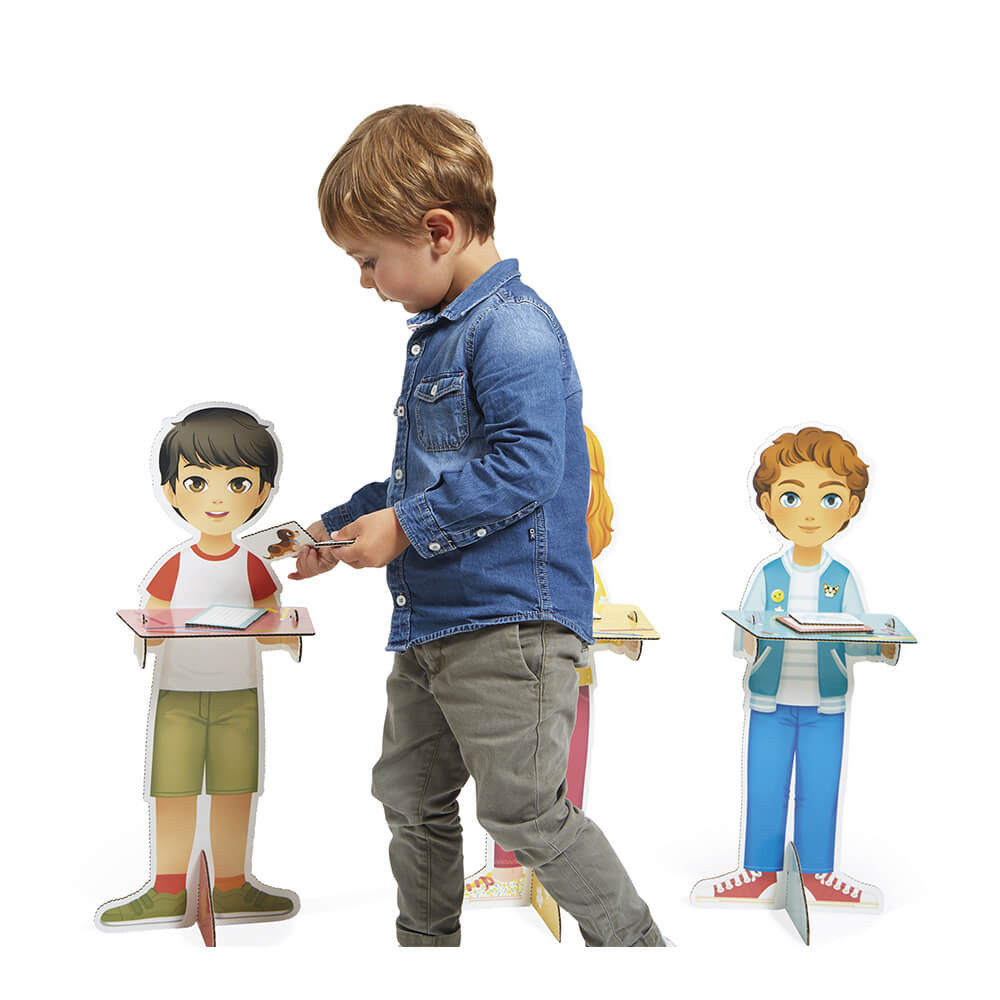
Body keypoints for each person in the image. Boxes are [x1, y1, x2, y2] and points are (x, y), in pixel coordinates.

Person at [292, 105, 666, 947]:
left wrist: (404, 528)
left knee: (524, 810)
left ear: (438, 231)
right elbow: (427, 475)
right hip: (434, 622)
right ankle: (428, 947)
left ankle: (638, 950)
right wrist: (336, 527)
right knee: (408, 793)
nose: (366, 282)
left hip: (509, 626)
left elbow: (528, 467)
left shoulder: (514, 329)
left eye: (368, 260)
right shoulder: (442, 333)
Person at [99, 405, 298, 926]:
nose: (216, 498)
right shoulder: (175, 564)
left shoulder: (254, 564)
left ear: (262, 491)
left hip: (238, 696)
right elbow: (151, 621)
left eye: (237, 484)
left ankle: (232, 886)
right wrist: (150, 637)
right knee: (172, 791)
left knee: (235, 792)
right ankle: (166, 890)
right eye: (196, 482)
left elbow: (273, 621)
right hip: (177, 699)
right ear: (171, 491)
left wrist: (284, 633)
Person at [691, 426, 898, 910]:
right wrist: (759, 638)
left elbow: (857, 637)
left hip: (827, 705)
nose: (808, 514)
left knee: (819, 790)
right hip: (770, 701)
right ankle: (759, 872)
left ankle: (817, 874)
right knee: (765, 788)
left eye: (828, 499)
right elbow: (744, 637)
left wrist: (884, 647)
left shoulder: (842, 578)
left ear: (850, 506)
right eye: (791, 497)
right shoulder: (768, 575)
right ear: (768, 503)